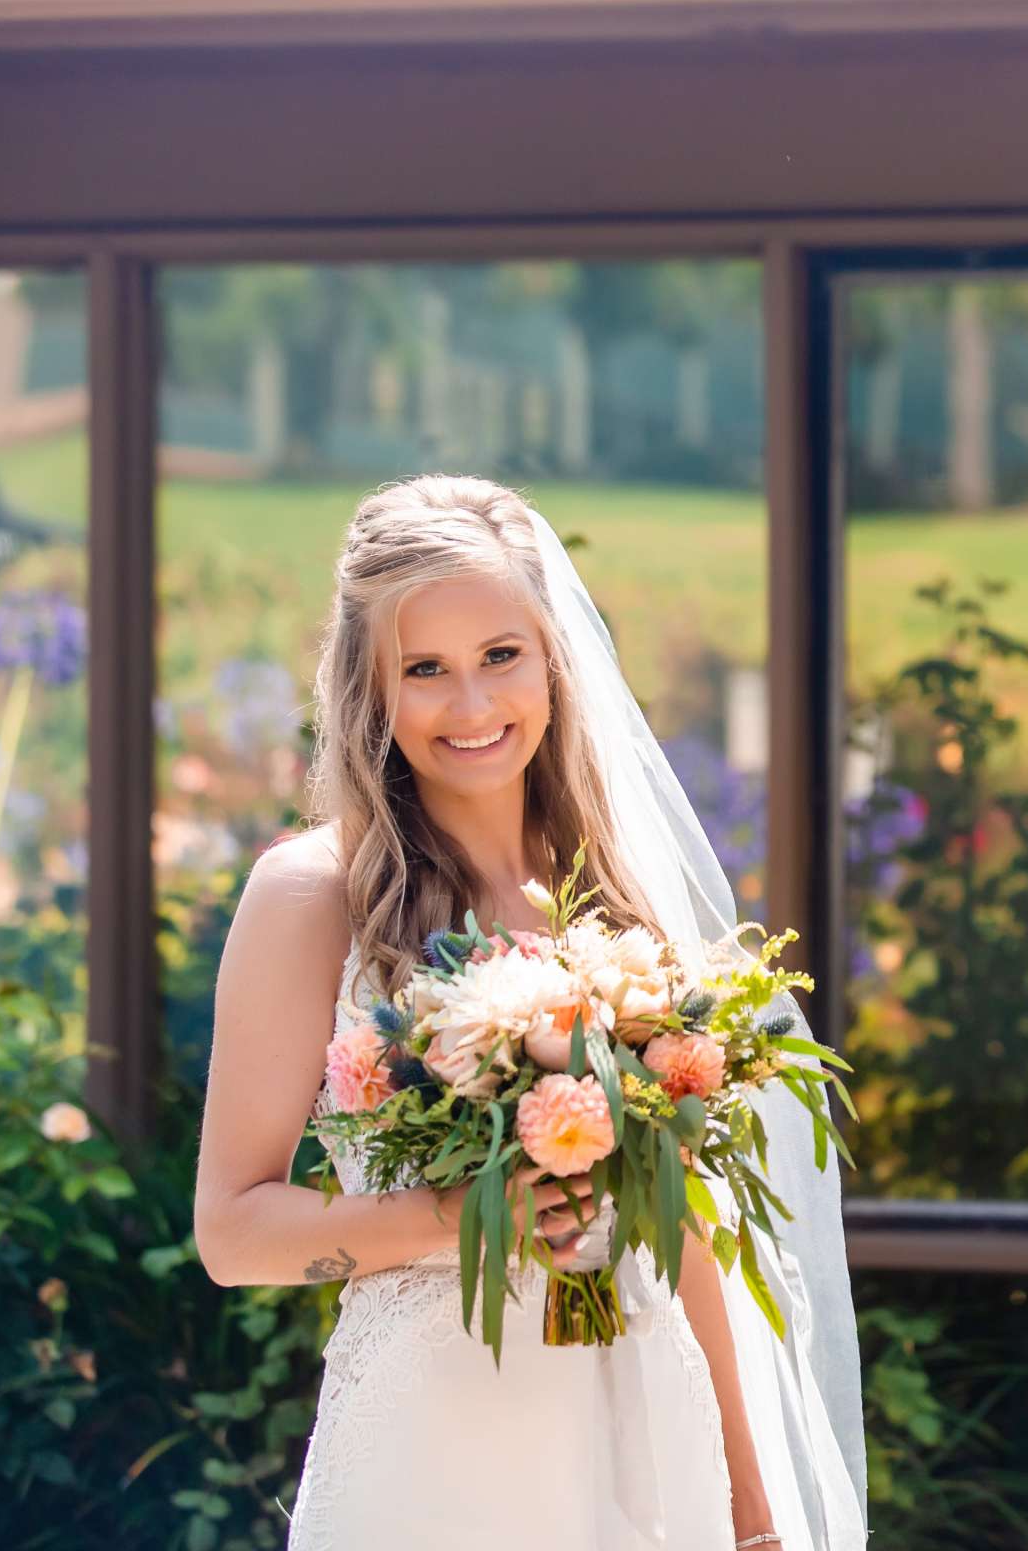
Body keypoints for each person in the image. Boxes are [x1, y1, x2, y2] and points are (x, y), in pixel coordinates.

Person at [192, 476, 866, 1551]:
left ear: (553, 657)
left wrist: (748, 1505)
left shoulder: (617, 893)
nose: (472, 707)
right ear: (371, 690)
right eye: (426, 670)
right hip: (439, 1443)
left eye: (501, 655)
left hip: (649, 1425)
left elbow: (682, 1223)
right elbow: (232, 1232)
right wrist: (456, 1215)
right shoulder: (314, 895)